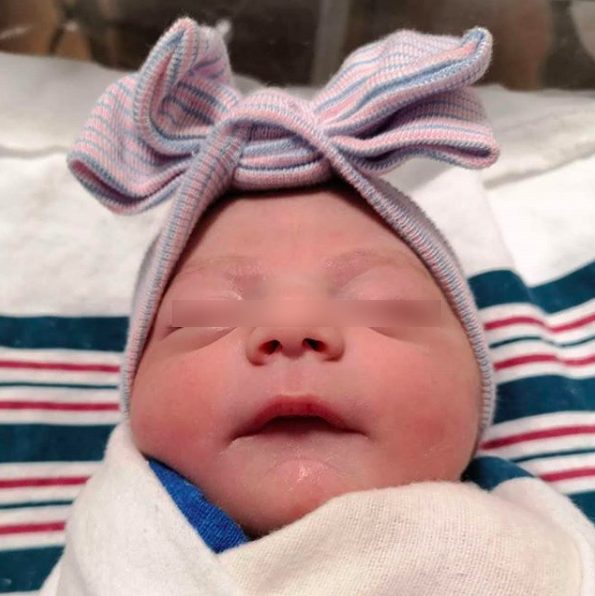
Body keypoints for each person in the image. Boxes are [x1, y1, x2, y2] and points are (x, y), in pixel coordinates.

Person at [39, 17, 594, 595]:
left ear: (479, 392)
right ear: (135, 393)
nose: (291, 326)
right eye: (207, 314)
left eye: (385, 306)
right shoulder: (106, 551)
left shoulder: (551, 558)